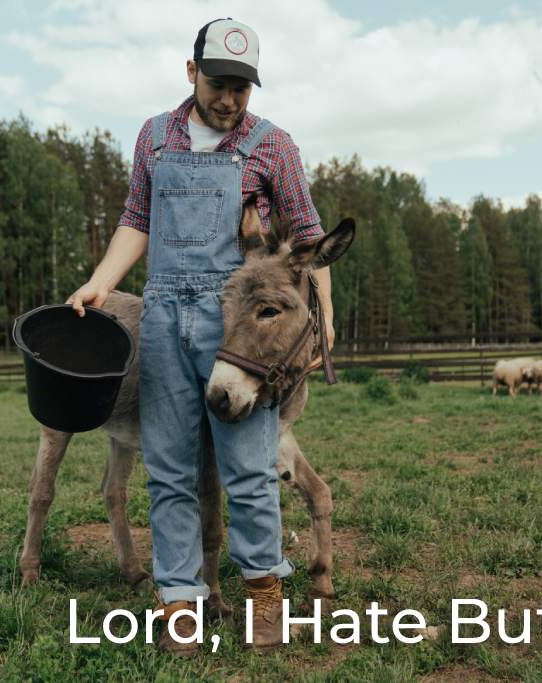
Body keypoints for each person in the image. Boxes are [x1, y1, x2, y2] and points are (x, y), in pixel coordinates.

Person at [66, 18, 333, 653]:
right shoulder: (155, 138)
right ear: (192, 73)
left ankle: (264, 603)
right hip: (162, 320)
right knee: (169, 469)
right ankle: (180, 603)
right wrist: (102, 282)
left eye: (243, 89)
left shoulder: (274, 146)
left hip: (237, 327)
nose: (230, 100)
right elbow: (137, 217)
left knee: (248, 470)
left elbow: (311, 240)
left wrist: (323, 324)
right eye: (219, 84)